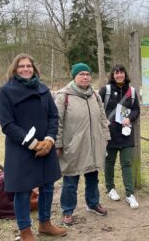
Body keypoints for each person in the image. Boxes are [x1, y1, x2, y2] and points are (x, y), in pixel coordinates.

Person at [0, 54, 66, 240]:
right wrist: (33, 144)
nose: (26, 69)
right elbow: (7, 124)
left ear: (34, 69)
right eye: (21, 66)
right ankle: (25, 231)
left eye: (29, 66)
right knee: (23, 190)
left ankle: (45, 224)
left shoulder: (43, 88)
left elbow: (53, 116)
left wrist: (50, 140)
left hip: (46, 146)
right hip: (21, 149)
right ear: (14, 69)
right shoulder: (5, 92)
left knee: (48, 186)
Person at [55, 63, 110, 225]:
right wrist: (58, 145)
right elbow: (57, 123)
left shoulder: (95, 96)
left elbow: (102, 118)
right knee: (70, 182)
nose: (85, 77)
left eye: (87, 74)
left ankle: (93, 204)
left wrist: (105, 137)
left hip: (93, 145)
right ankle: (67, 211)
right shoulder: (63, 97)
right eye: (81, 74)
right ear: (74, 76)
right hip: (73, 147)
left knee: (93, 178)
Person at [98, 64, 140, 208]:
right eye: (116, 73)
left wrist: (130, 118)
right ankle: (110, 189)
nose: (119, 75)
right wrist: (104, 123)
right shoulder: (106, 90)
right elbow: (97, 108)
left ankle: (129, 194)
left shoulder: (132, 91)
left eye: (121, 72)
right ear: (113, 75)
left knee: (127, 163)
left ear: (125, 74)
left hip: (126, 133)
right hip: (109, 134)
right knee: (109, 162)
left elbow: (136, 109)